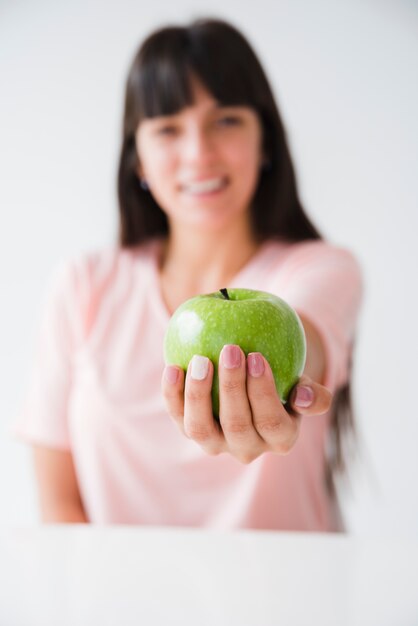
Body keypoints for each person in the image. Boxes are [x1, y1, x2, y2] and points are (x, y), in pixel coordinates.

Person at [15, 18, 362, 531]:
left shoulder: (322, 268)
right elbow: (58, 506)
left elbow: (305, 334)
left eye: (225, 120)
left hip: (287, 605)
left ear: (265, 141)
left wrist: (289, 382)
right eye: (168, 129)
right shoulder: (83, 286)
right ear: (139, 159)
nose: (199, 153)